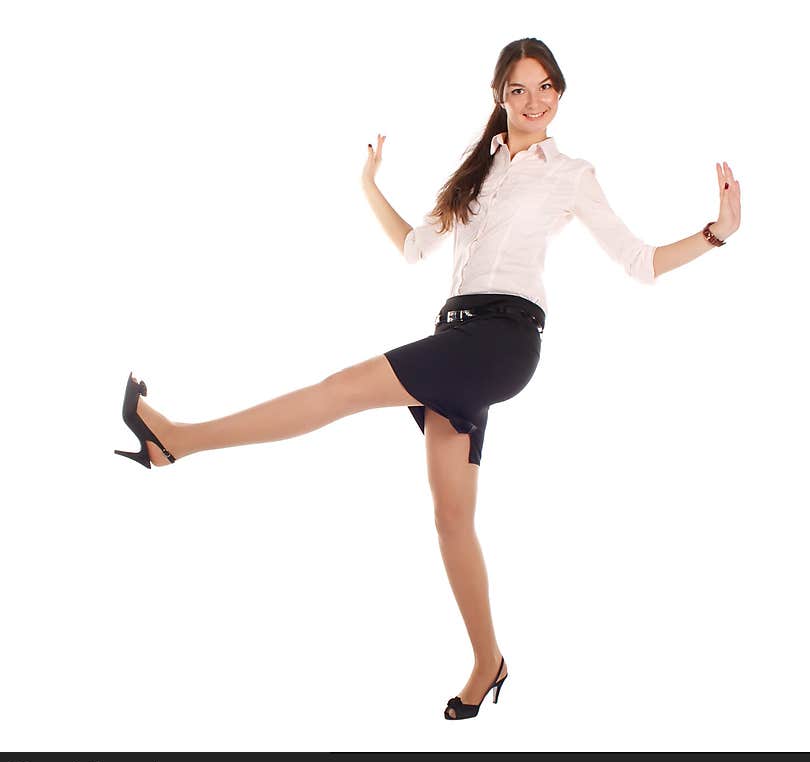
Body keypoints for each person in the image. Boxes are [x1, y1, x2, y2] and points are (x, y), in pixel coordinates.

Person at [114, 37, 741, 720]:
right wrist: (368, 186)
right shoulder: (477, 171)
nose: (535, 102)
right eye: (519, 89)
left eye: (546, 87)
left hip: (502, 340)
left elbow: (639, 262)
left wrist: (716, 232)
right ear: (500, 97)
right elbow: (417, 247)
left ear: (560, 91)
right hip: (457, 334)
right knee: (450, 519)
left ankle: (179, 439)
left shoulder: (573, 175)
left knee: (343, 388)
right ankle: (488, 660)